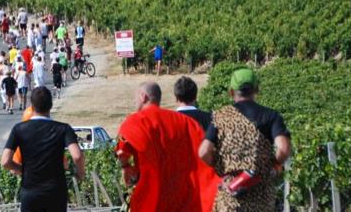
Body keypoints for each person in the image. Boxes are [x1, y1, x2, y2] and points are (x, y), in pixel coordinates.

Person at [198, 68, 292, 211]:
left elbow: (204, 151)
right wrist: (273, 165)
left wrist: (219, 166)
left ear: (231, 92)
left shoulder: (220, 116)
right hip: (261, 194)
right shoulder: (271, 116)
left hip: (230, 194)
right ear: (257, 90)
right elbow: (284, 149)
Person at [117, 82, 220, 211]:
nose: (134, 102)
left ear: (143, 97)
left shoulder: (136, 121)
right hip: (183, 196)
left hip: (152, 193)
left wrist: (126, 167)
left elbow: (122, 149)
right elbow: (204, 153)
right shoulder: (185, 122)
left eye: (135, 98)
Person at [1, 87, 85, 211]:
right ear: (51, 105)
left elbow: (5, 161)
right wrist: (80, 173)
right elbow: (77, 156)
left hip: (30, 190)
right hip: (55, 190)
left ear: (32, 106)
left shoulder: (19, 129)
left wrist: (23, 170)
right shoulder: (63, 129)